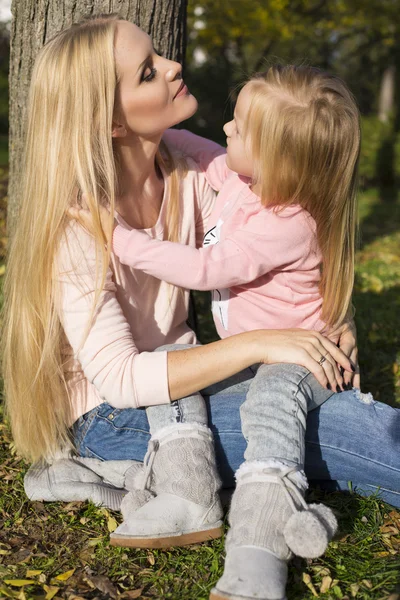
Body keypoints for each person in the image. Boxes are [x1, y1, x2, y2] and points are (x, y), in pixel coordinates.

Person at [2, 14, 399, 600]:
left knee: (288, 404)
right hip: (114, 416)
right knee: (328, 427)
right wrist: (263, 345)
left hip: (185, 382)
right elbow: (120, 376)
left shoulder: (189, 172)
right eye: (147, 71)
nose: (173, 66)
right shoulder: (78, 225)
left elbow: (277, 247)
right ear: (109, 120)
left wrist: (332, 325)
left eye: (158, 53)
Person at [76, 66, 358, 599]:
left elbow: (208, 269)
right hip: (252, 357)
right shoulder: (242, 177)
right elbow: (195, 147)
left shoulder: (287, 222)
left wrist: (121, 240)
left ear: (280, 159)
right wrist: (139, 135)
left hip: (299, 363)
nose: (226, 129)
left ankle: (260, 542)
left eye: (240, 127)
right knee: (172, 367)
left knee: (271, 414)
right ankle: (186, 491)